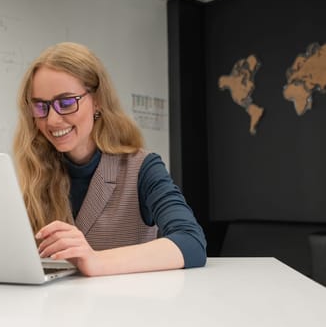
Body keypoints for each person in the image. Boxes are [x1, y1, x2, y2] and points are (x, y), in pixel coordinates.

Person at [13, 42, 206, 277]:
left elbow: (191, 243)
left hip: (125, 310)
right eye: (41, 106)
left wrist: (96, 261)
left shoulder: (142, 168)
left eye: (66, 103)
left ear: (97, 101)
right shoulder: (32, 173)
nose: (52, 120)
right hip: (57, 310)